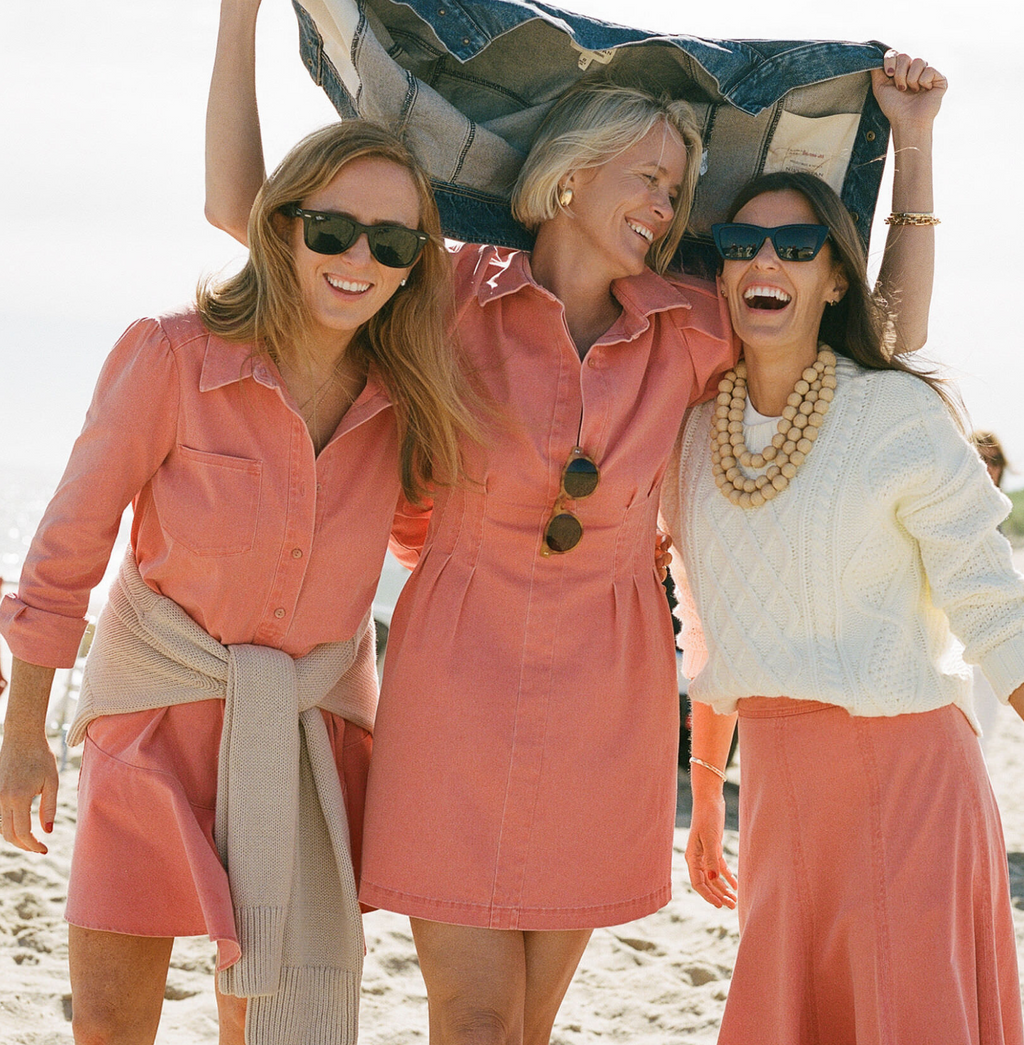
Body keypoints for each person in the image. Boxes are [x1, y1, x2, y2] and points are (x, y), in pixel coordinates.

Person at [206, 4, 941, 1041]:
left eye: (677, 189)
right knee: (475, 1018)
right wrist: (238, 16)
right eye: (648, 177)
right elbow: (247, 213)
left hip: (611, 696)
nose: (666, 206)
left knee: (526, 1028)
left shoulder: (693, 325)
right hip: (452, 686)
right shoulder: (444, 295)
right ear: (568, 174)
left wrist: (913, 145)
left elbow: (881, 337)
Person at [0, 120, 476, 1045]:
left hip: (305, 737)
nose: (360, 259)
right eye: (333, 229)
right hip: (151, 723)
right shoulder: (171, 357)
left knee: (264, 1026)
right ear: (283, 225)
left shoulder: (409, 403)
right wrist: (23, 735)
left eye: (392, 243)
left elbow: (443, 559)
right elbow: (66, 549)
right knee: (108, 1021)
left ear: (415, 266)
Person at [663, 151, 1024, 1040]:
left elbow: (990, 601)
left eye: (796, 245)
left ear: (834, 280)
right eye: (742, 243)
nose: (766, 261)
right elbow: (710, 629)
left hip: (911, 787)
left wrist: (917, 140)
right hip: (778, 796)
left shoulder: (896, 411)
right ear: (721, 273)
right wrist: (706, 792)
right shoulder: (691, 435)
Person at [971, 429, 1014, 758]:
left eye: (995, 460)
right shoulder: (955, 511)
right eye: (980, 458)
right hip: (961, 636)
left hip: (992, 634)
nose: (989, 467)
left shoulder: (997, 511)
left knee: (984, 730)